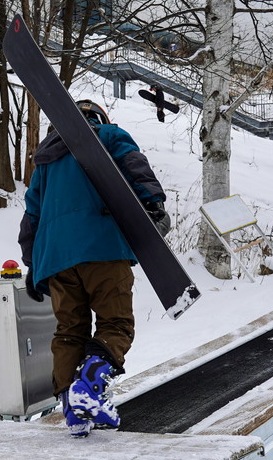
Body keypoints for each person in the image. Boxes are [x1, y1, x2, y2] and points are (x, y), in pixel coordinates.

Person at [18, 100, 170, 437]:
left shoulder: (45, 161)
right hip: (102, 247)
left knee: (69, 331)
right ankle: (88, 385)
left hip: (56, 260)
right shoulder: (109, 135)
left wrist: (33, 263)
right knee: (116, 323)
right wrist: (153, 204)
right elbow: (134, 166)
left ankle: (76, 410)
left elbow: (31, 216)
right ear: (99, 118)